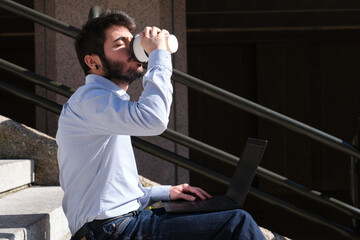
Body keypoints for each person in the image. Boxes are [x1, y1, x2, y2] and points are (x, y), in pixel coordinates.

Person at [56, 9, 266, 240]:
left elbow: (112, 192)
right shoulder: (91, 100)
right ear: (93, 61)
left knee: (225, 214)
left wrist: (165, 192)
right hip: (111, 232)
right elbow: (154, 120)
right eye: (120, 44)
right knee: (237, 222)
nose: (133, 49)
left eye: (131, 41)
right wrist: (159, 54)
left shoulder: (104, 103)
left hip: (117, 225)